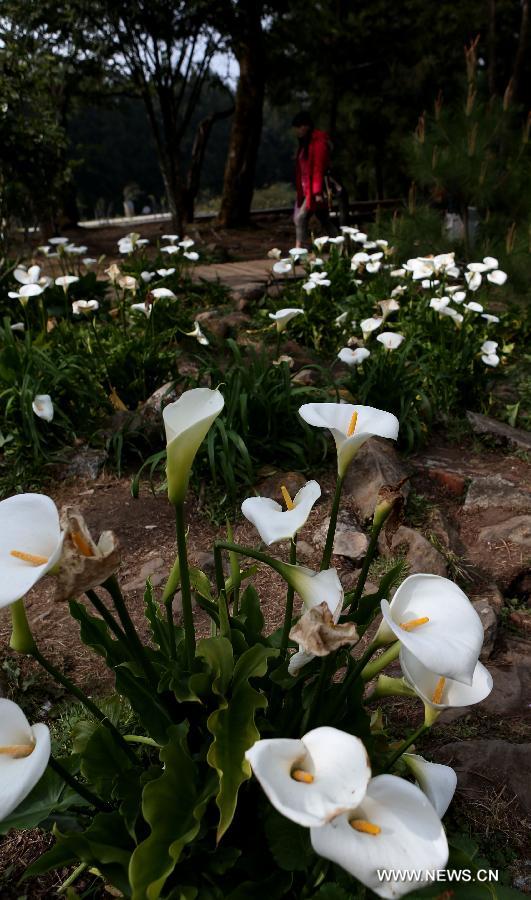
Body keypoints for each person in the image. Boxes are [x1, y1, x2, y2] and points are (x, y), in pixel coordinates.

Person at [292, 111, 336, 247]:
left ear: (305, 126)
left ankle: (299, 252)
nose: (297, 131)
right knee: (325, 220)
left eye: (298, 128)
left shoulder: (318, 143)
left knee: (300, 218)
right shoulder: (305, 145)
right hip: (307, 190)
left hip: (314, 191)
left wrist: (317, 193)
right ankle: (341, 246)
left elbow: (318, 169)